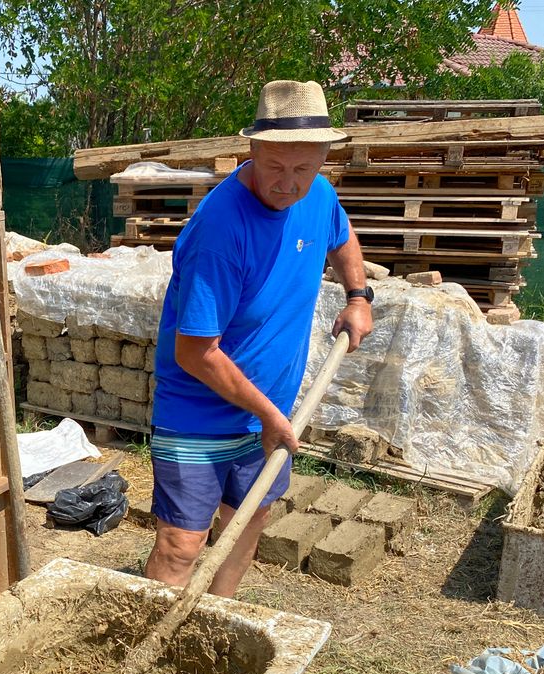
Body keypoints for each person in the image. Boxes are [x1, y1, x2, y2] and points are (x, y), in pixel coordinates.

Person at [144, 79, 373, 597]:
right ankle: (150, 640)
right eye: (276, 167)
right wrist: (271, 416)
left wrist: (358, 296)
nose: (289, 184)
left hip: (271, 411)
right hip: (198, 415)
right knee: (182, 544)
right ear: (252, 151)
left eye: (303, 169)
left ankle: (213, 627)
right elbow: (195, 351)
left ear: (321, 160)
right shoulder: (221, 231)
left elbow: (341, 236)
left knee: (245, 525)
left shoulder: (318, 194)